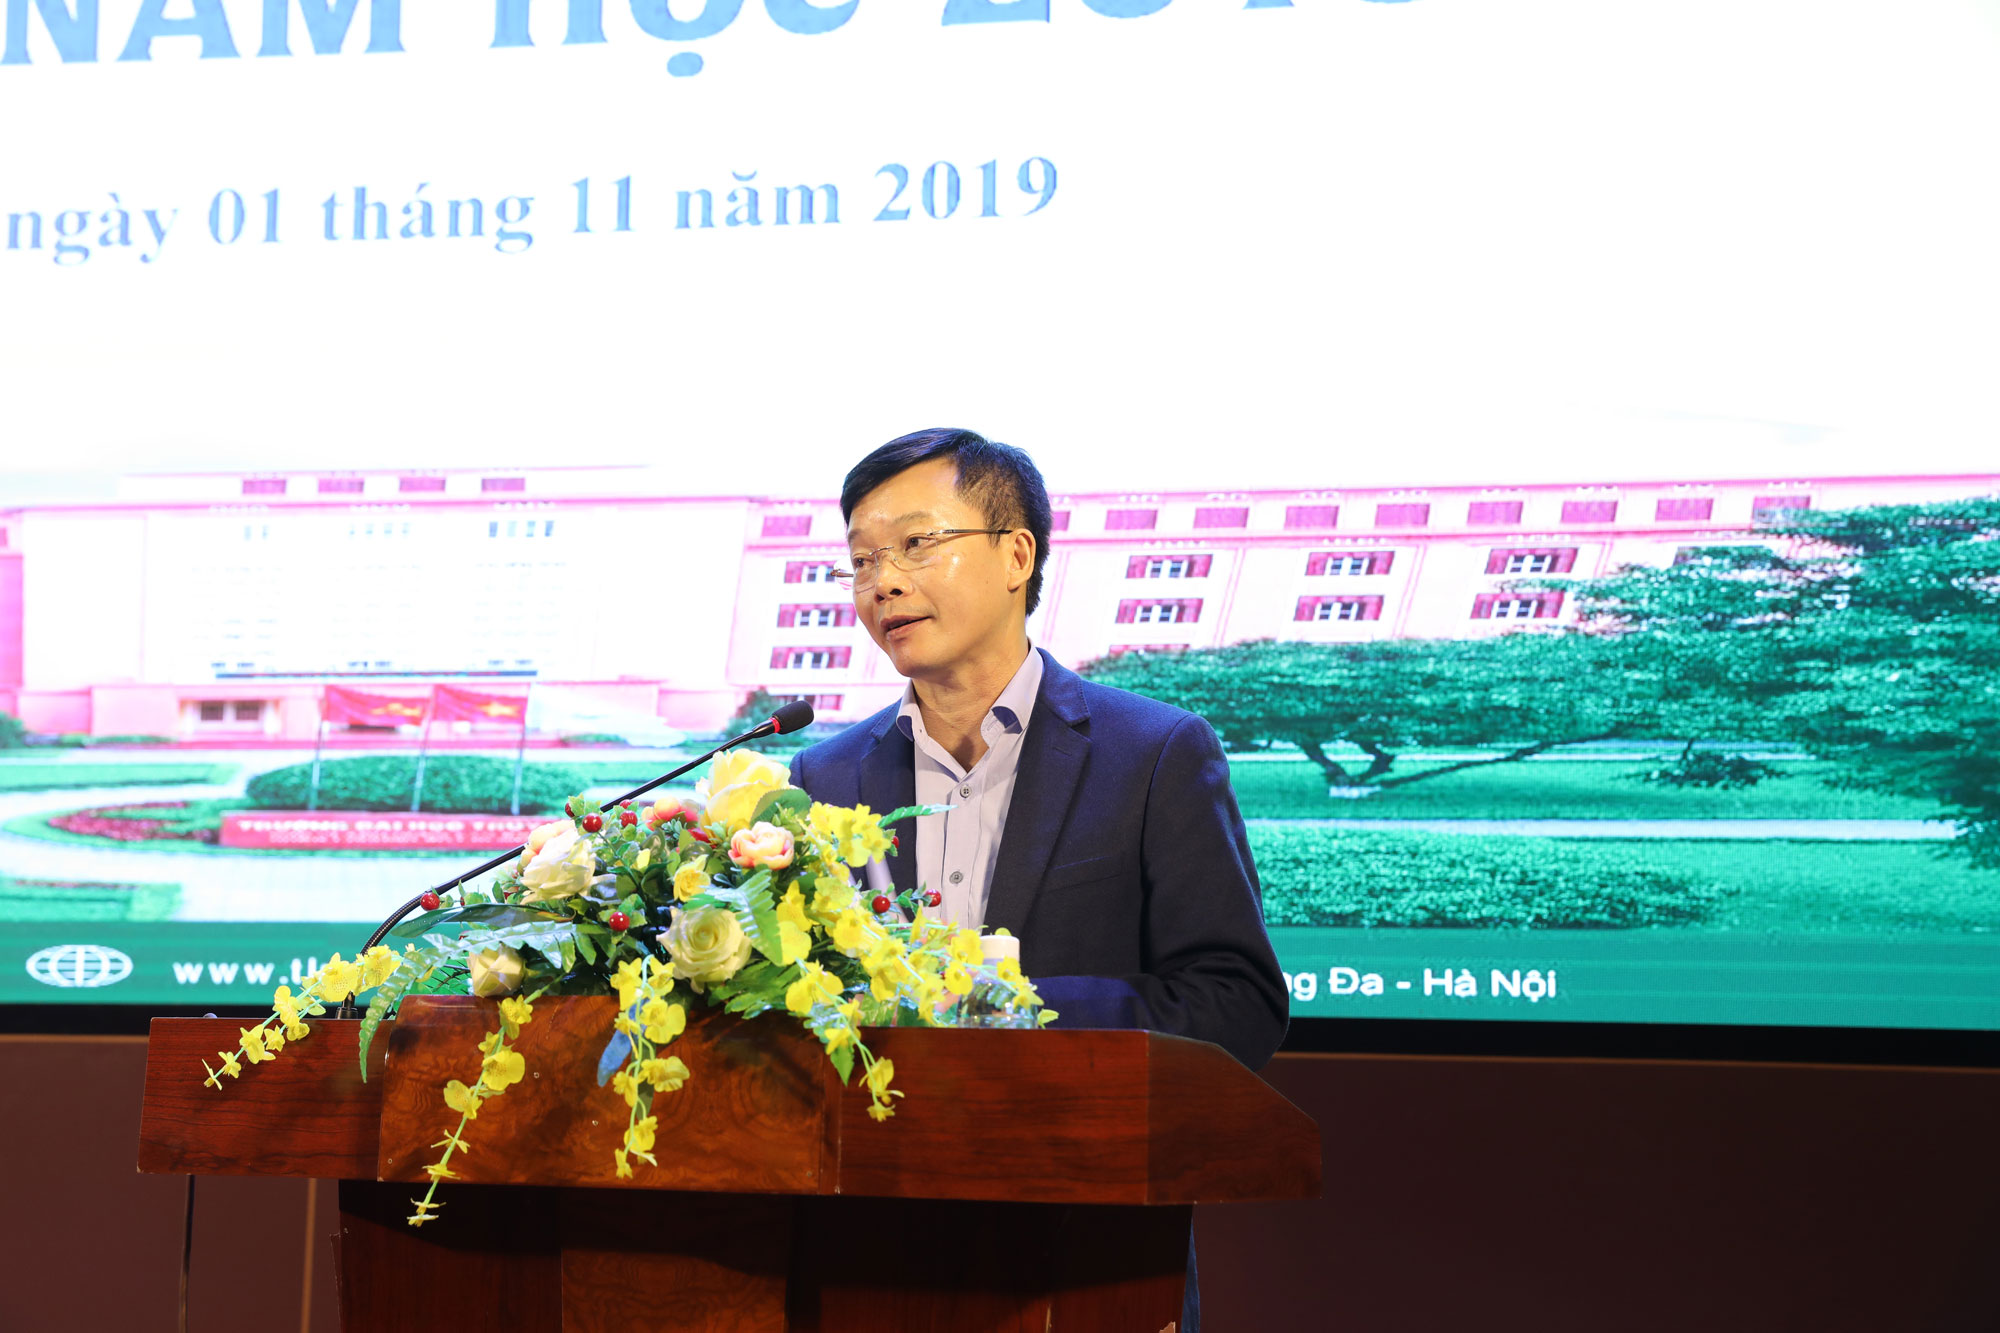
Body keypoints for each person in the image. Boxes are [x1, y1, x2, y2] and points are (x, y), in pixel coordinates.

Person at [786, 428, 1289, 1070]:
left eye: (916, 544)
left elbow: (1237, 1003)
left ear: (1017, 557)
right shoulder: (823, 775)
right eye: (862, 561)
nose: (882, 583)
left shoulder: (1154, 754)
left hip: (1077, 1126)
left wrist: (1001, 1010)